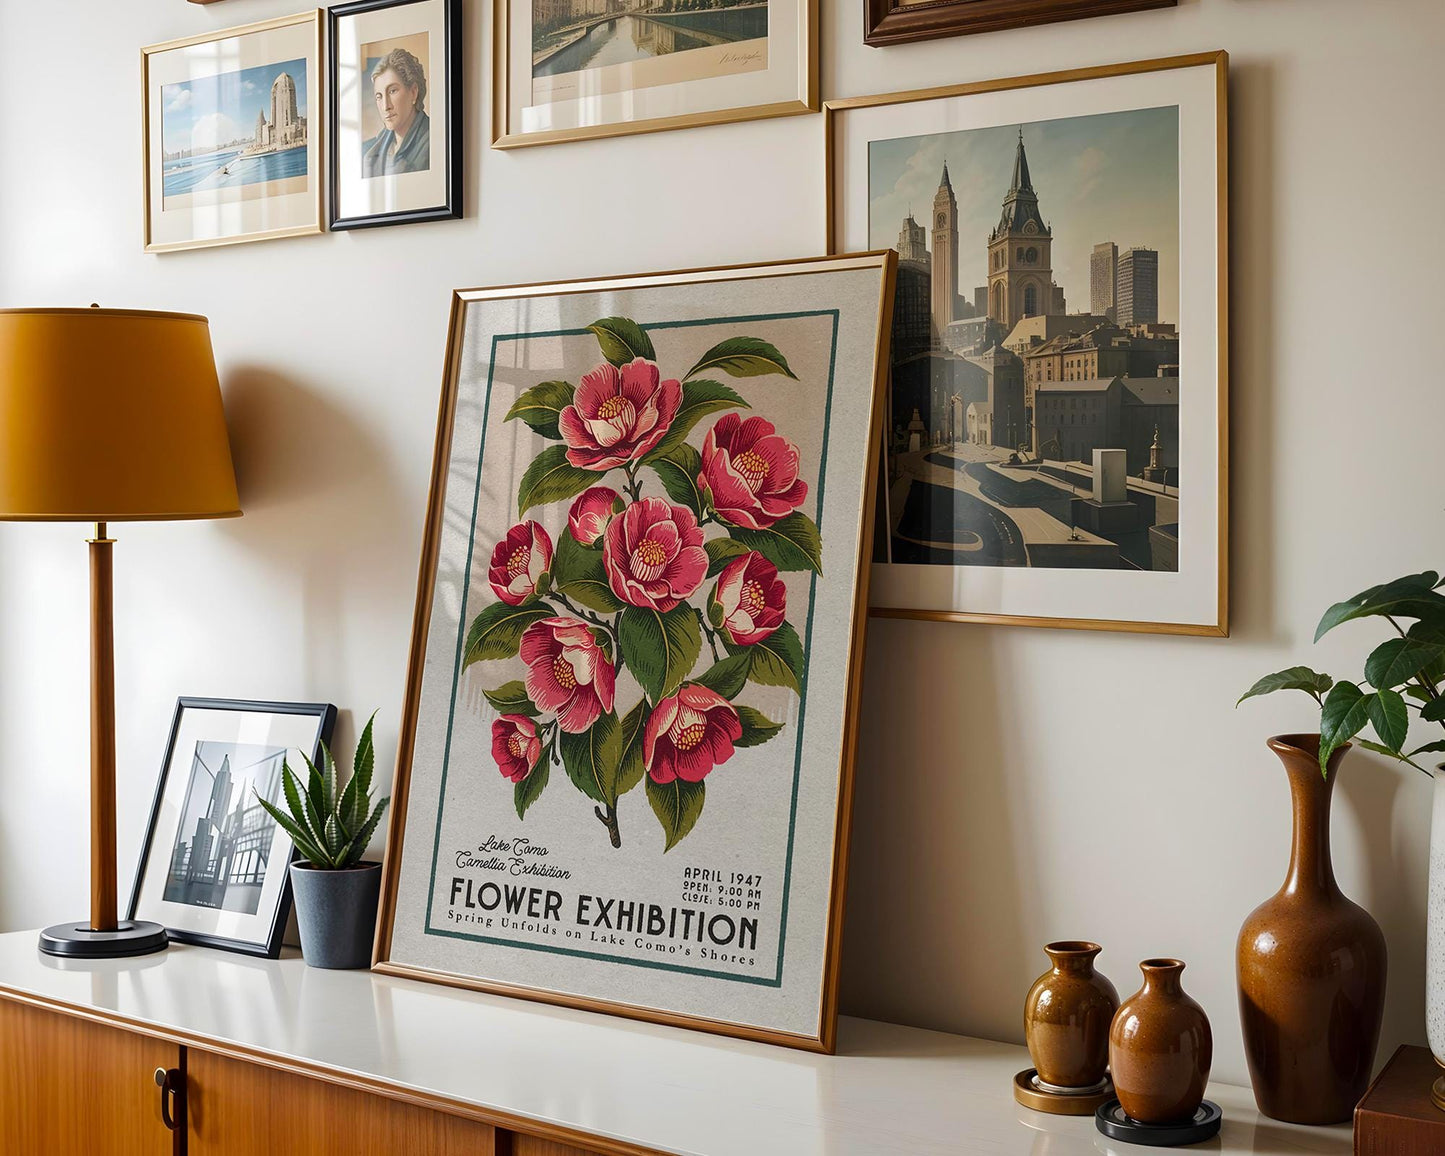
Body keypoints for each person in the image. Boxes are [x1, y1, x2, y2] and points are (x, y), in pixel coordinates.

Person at [362, 48, 430, 177]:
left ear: (413, 92)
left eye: (392, 91)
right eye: (379, 96)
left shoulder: (434, 142)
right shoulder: (369, 151)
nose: (386, 106)